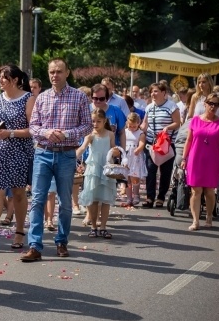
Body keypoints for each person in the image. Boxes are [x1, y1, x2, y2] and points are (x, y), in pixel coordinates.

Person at [20, 58, 92, 262]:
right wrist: (47, 132)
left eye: (59, 71)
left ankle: (61, 241)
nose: (54, 75)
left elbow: (87, 126)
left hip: (67, 153)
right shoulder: (41, 98)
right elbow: (33, 126)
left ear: (67, 72)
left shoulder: (78, 97)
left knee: (65, 202)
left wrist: (67, 134)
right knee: (37, 200)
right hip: (43, 152)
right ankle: (35, 246)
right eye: (51, 72)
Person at [0, 64, 34, 253]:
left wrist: (11, 133)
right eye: (0, 78)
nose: (0, 81)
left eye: (4, 78)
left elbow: (33, 129)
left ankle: (20, 231)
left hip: (20, 151)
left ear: (15, 80)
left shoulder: (28, 99)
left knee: (18, 193)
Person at [181, 93, 219, 230]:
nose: (213, 107)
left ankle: (208, 216)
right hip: (195, 159)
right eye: (211, 103)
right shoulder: (195, 120)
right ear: (205, 104)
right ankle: (195, 220)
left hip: (212, 160)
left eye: (216, 104)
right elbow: (189, 140)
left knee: (209, 191)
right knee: (196, 191)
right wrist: (184, 158)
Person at [140, 82, 181, 208]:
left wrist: (167, 127)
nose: (153, 94)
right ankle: (150, 197)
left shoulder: (172, 106)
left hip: (167, 144)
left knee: (165, 171)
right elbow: (145, 125)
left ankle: (161, 197)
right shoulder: (149, 107)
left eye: (156, 91)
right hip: (152, 144)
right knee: (151, 170)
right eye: (152, 91)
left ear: (164, 93)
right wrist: (136, 128)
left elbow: (178, 123)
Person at [77, 109, 117, 239]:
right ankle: (93, 227)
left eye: (98, 121)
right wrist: (72, 157)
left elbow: (113, 149)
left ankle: (103, 227)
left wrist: (117, 152)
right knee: (93, 199)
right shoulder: (90, 135)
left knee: (105, 200)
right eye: (93, 121)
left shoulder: (110, 134)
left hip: (106, 168)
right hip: (93, 169)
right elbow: (83, 148)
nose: (95, 124)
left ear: (104, 121)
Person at [124, 113, 147, 206]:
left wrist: (139, 148)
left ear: (138, 123)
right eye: (130, 126)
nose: (132, 128)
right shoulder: (125, 132)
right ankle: (129, 197)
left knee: (134, 177)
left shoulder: (140, 133)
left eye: (134, 126)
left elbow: (142, 143)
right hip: (126, 156)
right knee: (127, 178)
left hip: (135, 156)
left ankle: (136, 195)